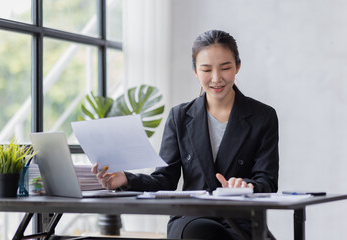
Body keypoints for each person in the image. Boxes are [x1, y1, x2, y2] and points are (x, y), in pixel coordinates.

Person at [92, 30, 279, 239]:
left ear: (238, 66)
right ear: (195, 71)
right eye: (206, 69)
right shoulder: (179, 117)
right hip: (192, 218)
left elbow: (267, 180)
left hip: (242, 220)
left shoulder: (263, 116)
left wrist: (246, 185)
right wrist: (126, 179)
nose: (216, 78)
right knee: (204, 234)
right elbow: (164, 179)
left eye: (225, 68)